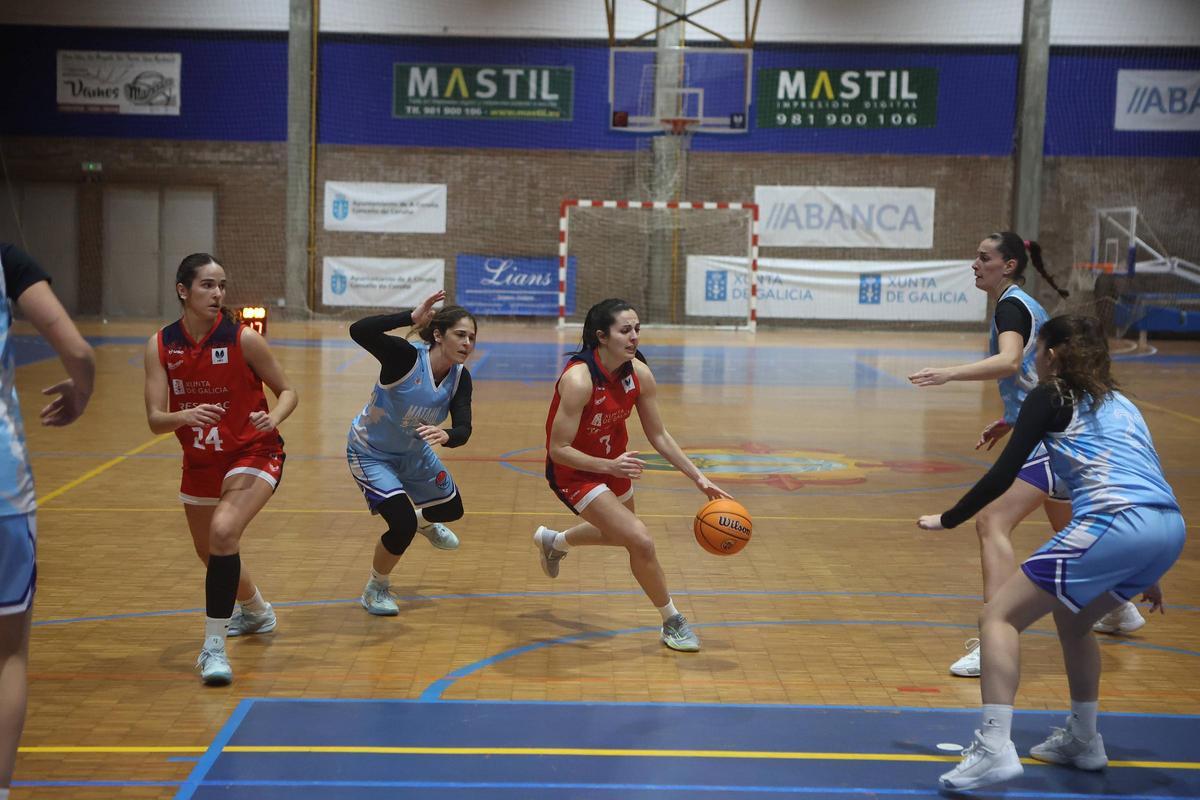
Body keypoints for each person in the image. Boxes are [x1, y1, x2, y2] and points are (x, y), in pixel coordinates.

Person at [917, 314, 1185, 792]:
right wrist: (1148, 564)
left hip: (1117, 524)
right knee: (1075, 620)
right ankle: (1084, 738)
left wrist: (950, 517)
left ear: (1054, 353)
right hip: (1166, 528)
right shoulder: (1123, 403)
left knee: (998, 617)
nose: (1035, 359)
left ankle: (994, 747)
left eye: (1039, 349)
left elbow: (1002, 475)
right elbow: (1143, 474)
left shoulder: (1053, 394)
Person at [908, 232, 1143, 677]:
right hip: (1052, 427)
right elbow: (1035, 380)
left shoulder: (1010, 307)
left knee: (991, 520)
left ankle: (995, 634)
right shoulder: (1022, 303)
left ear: (1009, 265)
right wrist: (1013, 419)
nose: (975, 264)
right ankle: (1120, 608)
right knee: (1070, 527)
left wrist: (948, 373)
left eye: (984, 258)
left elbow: (1012, 362)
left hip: (1052, 438)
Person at [534, 298, 730, 652]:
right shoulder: (578, 380)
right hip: (575, 472)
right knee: (640, 540)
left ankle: (555, 542)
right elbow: (557, 448)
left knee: (623, 537)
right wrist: (608, 466)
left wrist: (698, 478)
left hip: (615, 463)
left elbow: (659, 435)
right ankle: (673, 621)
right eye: (625, 330)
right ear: (601, 337)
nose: (634, 336)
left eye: (637, 329)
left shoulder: (637, 372)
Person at [143, 253, 297, 686]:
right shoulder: (159, 345)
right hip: (200, 460)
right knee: (210, 551)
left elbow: (288, 391)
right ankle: (257, 611)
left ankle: (213, 648)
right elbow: (156, 419)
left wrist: (276, 417)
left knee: (224, 531)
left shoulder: (244, 339)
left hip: (254, 450)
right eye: (208, 285)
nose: (217, 294)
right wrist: (183, 417)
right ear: (183, 290)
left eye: (221, 286)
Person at [1, 242, 95, 798]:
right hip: (2, 488)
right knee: (7, 653)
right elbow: (77, 351)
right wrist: (83, 391)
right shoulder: (6, 261)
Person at [347, 290, 476, 616]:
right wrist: (408, 317)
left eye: (472, 337)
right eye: (460, 335)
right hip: (370, 451)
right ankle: (376, 588)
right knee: (401, 525)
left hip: (412, 452)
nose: (467, 343)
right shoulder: (404, 358)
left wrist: (446, 435)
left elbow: (464, 428)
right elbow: (359, 330)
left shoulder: (460, 378)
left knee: (451, 510)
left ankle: (423, 522)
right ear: (437, 334)